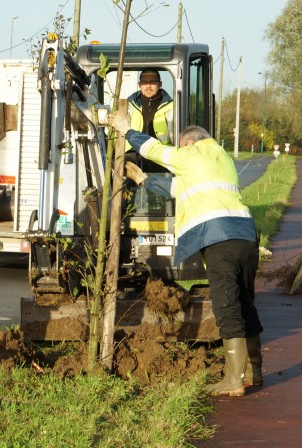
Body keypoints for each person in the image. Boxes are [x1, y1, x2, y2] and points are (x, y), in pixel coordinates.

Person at [109, 113, 263, 397]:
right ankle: (254, 373)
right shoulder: (221, 160)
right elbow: (178, 187)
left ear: (189, 143)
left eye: (181, 146)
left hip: (219, 239)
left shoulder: (191, 154)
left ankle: (234, 381)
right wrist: (143, 180)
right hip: (245, 235)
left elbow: (153, 149)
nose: (179, 152)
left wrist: (125, 129)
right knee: (244, 302)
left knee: (227, 306)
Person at [126, 68, 174, 173]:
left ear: (160, 84)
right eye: (144, 82)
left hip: (160, 152)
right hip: (135, 151)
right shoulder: (128, 105)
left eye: (152, 82)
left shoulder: (172, 107)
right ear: (139, 84)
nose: (148, 86)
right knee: (119, 163)